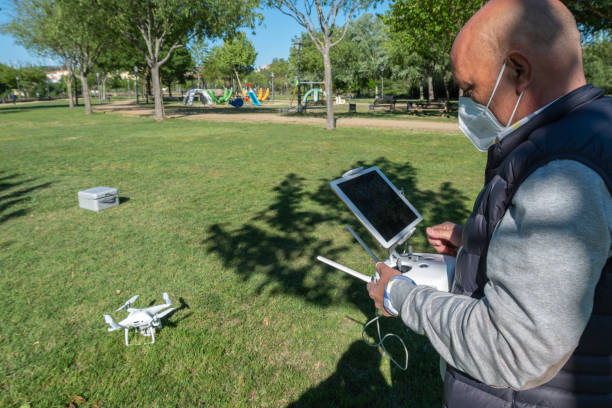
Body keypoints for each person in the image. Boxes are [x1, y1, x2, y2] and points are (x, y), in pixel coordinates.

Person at [367, 0, 611, 407]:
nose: (467, 106)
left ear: (518, 71)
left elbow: (510, 347)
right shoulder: (589, 131)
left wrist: (401, 296)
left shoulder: (565, 177)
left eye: (470, 89)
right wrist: (476, 243)